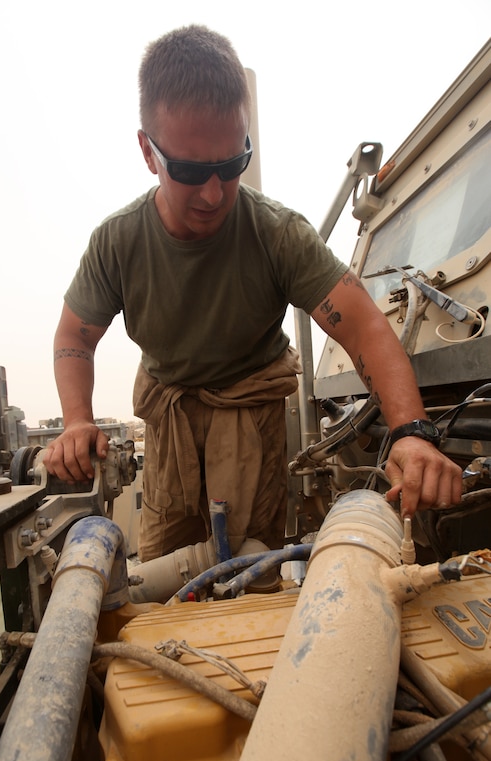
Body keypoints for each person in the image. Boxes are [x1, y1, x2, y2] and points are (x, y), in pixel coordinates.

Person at [43, 24, 462, 562]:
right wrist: (76, 420)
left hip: (250, 412)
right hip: (170, 417)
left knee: (249, 562)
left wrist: (412, 432)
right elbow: (75, 335)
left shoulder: (277, 233)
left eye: (232, 164)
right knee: (164, 570)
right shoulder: (118, 242)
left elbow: (363, 326)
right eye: (192, 170)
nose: (215, 193)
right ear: (149, 153)